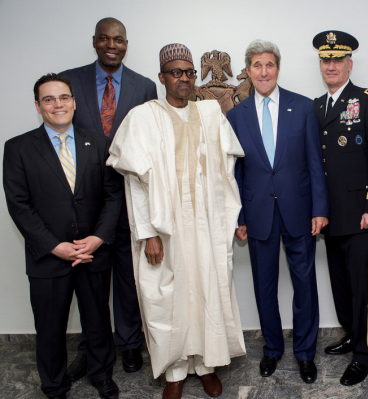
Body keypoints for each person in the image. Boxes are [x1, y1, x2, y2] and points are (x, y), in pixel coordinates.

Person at [106, 43, 246, 399]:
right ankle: (175, 371)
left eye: (188, 72)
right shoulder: (143, 117)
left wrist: (226, 218)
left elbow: (227, 170)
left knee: (208, 291)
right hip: (164, 229)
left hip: (205, 225)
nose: (183, 78)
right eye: (176, 72)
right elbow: (135, 184)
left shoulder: (211, 113)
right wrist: (148, 233)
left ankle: (207, 365)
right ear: (162, 77)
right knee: (166, 300)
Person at [3, 73, 122, 399]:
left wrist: (97, 239)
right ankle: (54, 386)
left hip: (93, 252)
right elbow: (19, 205)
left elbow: (113, 196)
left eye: (64, 97)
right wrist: (56, 247)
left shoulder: (97, 142)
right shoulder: (17, 148)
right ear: (38, 106)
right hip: (49, 258)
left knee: (98, 321)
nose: (58, 104)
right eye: (49, 99)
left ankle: (101, 374)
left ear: (73, 101)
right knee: (50, 329)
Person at [60, 17, 158, 378]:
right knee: (90, 280)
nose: (111, 45)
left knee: (129, 277)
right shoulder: (70, 81)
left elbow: (149, 143)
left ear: (126, 44)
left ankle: (129, 344)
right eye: (104, 39)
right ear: (95, 42)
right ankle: (91, 348)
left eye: (118, 39)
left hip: (130, 196)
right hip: (84, 199)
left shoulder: (145, 86)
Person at [226, 39, 329, 384]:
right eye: (257, 65)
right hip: (258, 214)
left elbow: (316, 161)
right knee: (264, 287)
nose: (264, 71)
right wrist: (239, 217)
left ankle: (304, 353)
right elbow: (235, 173)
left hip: (299, 210)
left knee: (305, 285)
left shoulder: (301, 107)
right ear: (248, 70)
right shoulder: (235, 115)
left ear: (278, 68)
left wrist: (320, 208)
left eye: (269, 64)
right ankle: (272, 349)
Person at [312, 30, 368, 385]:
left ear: (349, 63)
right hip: (330, 213)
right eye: (326, 60)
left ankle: (365, 352)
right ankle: (349, 334)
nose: (331, 65)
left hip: (362, 214)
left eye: (338, 59)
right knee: (341, 284)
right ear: (320, 64)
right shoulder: (316, 106)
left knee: (363, 287)